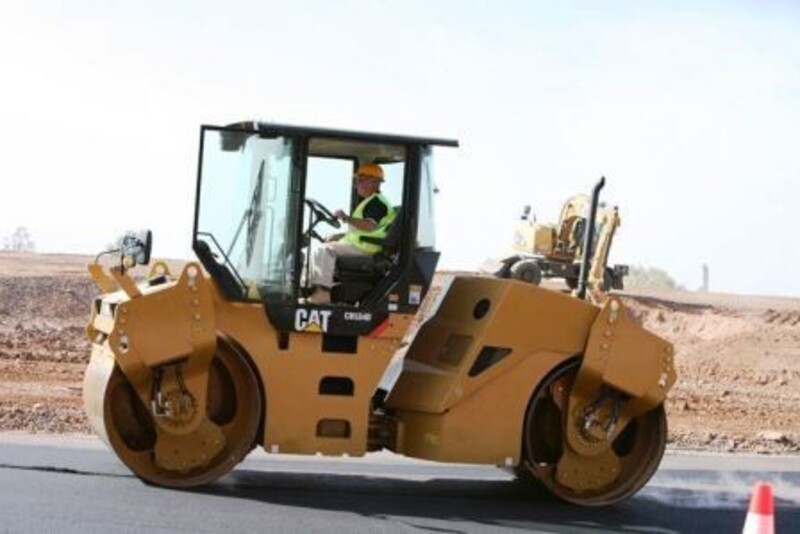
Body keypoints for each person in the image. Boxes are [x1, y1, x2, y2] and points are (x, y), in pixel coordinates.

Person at [305, 162, 396, 304]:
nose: (356, 185)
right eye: (356, 181)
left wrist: (346, 218)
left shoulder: (377, 203)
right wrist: (339, 236)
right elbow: (361, 230)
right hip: (361, 244)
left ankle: (322, 293)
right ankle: (307, 289)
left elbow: (369, 226)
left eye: (361, 180)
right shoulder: (369, 202)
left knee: (323, 250)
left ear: (374, 182)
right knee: (312, 250)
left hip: (367, 247)